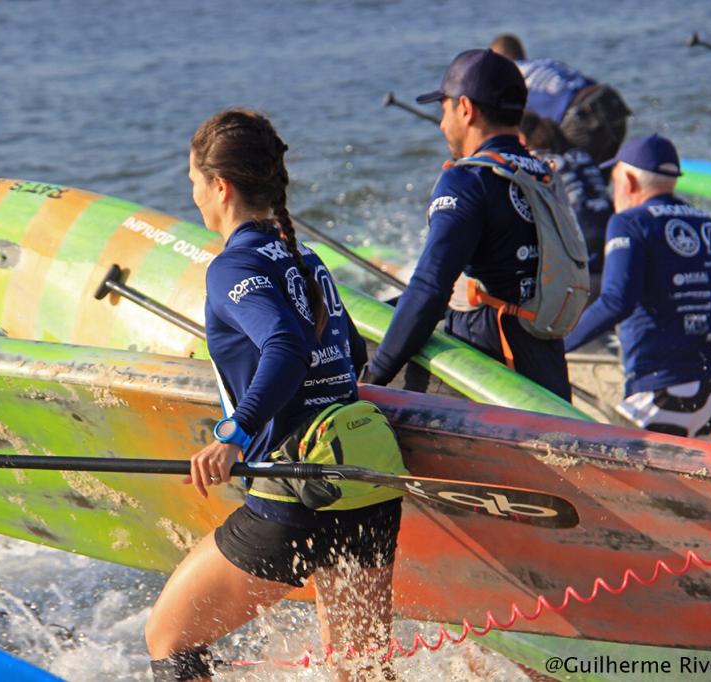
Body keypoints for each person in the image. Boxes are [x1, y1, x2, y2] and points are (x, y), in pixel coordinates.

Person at [144, 109, 408, 681]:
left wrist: (234, 433)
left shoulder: (232, 266)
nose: (193, 196)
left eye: (194, 181)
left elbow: (285, 346)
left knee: (168, 639)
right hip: (364, 481)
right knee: (360, 671)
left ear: (221, 186)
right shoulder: (307, 260)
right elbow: (351, 355)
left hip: (295, 494)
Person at [363, 49, 572, 401]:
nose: (442, 124)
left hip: (492, 380)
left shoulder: (468, 180)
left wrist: (374, 376)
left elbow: (430, 287)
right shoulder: (542, 175)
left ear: (465, 108)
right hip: (549, 373)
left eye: (444, 110)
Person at [563, 134, 711, 443]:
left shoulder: (629, 222)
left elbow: (617, 301)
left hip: (663, 390)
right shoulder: (707, 223)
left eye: (614, 179)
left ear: (629, 181)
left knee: (604, 469)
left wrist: (559, 345)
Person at [491, 34, 630, 164]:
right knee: (599, 173)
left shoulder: (510, 77)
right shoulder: (546, 63)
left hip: (584, 117)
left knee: (573, 174)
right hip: (611, 103)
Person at [518, 110, 613, 298]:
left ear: (521, 138)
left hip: (580, 241)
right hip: (609, 230)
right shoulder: (581, 155)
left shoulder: (534, 162)